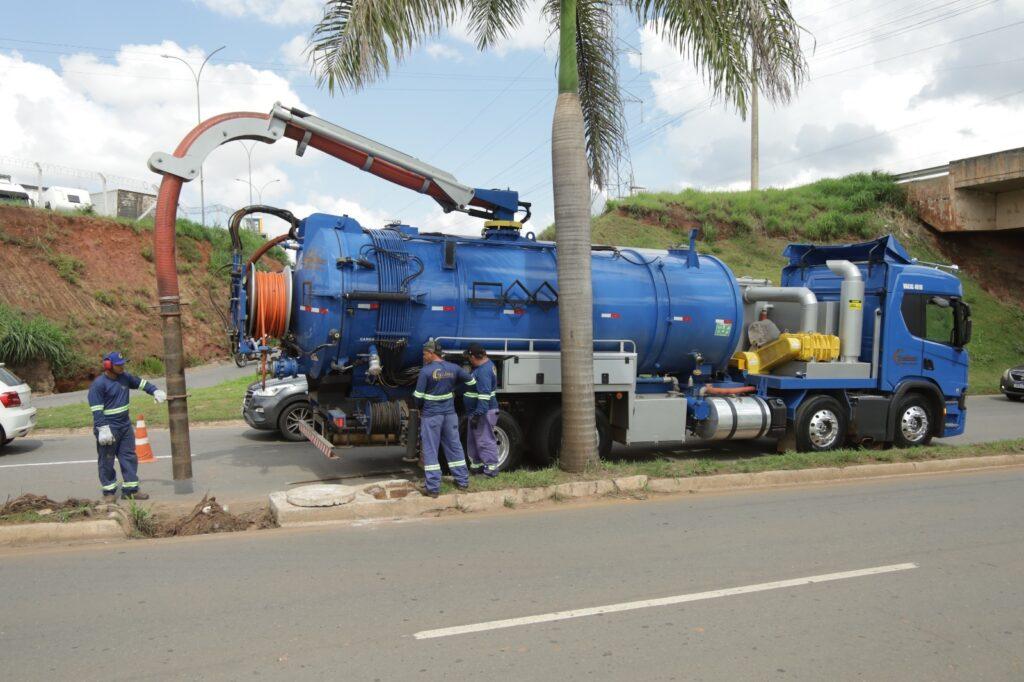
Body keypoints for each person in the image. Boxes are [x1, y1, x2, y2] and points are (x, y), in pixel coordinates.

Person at [87, 352, 166, 502]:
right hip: (108, 427)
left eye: (123, 363)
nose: (122, 366)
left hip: (124, 425)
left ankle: (131, 490)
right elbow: (96, 410)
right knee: (107, 459)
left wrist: (155, 391)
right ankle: (109, 492)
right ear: (108, 366)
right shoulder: (98, 385)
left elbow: (141, 383)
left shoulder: (125, 377)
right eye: (119, 364)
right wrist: (102, 428)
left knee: (129, 456)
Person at [413, 339, 476, 498]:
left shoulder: (425, 372)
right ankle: (462, 481)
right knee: (454, 446)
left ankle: (433, 488)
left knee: (430, 449)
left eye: (424, 354)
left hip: (431, 416)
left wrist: (419, 407)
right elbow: (472, 381)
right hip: (449, 415)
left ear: (431, 353)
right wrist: (455, 391)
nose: (423, 357)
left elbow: (418, 397)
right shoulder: (454, 368)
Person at [463, 343, 500, 477]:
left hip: (482, 412)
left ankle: (491, 470)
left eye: (469, 357)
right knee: (474, 441)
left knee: (485, 441)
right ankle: (476, 466)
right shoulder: (484, 366)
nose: (469, 360)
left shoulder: (484, 371)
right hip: (476, 411)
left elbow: (484, 395)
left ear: (473, 356)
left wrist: (478, 415)